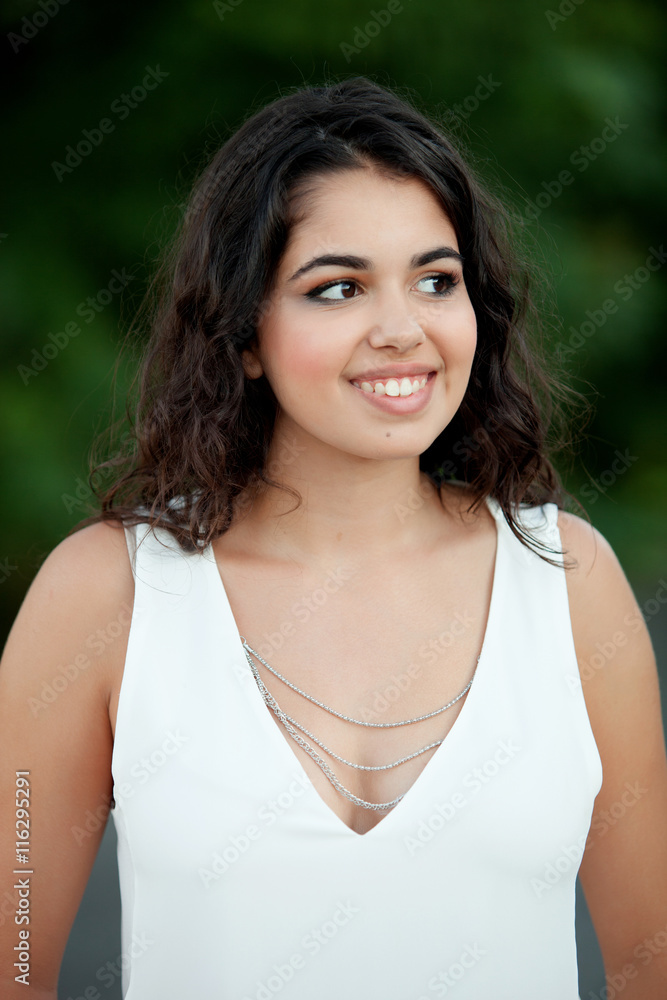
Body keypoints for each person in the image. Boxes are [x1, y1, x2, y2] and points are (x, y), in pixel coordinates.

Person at [1, 75, 666, 1000]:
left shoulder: (567, 578)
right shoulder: (105, 592)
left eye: (436, 280)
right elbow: (15, 963)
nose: (402, 330)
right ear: (242, 333)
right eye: (338, 288)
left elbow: (649, 969)